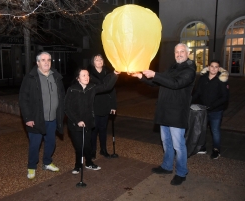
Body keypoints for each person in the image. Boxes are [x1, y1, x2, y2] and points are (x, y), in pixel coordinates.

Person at [130, 43, 196, 185]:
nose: (179, 54)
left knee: (179, 145)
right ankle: (166, 166)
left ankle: (181, 172)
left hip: (177, 113)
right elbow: (157, 82)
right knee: (166, 142)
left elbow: (175, 83)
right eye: (176, 52)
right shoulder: (172, 67)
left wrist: (155, 74)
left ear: (188, 53)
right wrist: (141, 76)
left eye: (182, 51)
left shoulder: (190, 69)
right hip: (165, 111)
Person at [19, 52, 65, 179]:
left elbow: (61, 95)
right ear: (37, 62)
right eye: (43, 60)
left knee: (51, 142)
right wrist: (27, 118)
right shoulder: (30, 78)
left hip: (53, 118)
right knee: (35, 144)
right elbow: (23, 99)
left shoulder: (56, 76)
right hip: (36, 118)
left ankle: (47, 162)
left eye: (49, 60)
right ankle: (31, 167)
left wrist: (62, 113)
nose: (46, 62)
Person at [65, 67, 119, 175]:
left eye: (88, 75)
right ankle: (78, 165)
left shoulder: (92, 88)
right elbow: (67, 108)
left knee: (88, 145)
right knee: (79, 146)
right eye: (83, 75)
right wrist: (77, 121)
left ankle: (89, 163)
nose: (86, 77)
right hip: (75, 124)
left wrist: (115, 74)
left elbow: (106, 86)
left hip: (88, 122)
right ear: (78, 78)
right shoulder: (72, 90)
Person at [192, 59, 229, 159]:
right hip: (204, 110)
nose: (213, 68)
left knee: (215, 130)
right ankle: (202, 148)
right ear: (208, 67)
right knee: (202, 129)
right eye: (212, 66)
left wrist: (212, 106)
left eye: (216, 67)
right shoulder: (203, 78)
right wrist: (190, 100)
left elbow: (225, 97)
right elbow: (198, 92)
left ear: (219, 68)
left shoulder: (222, 80)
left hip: (216, 111)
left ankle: (216, 150)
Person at [89, 54, 117, 159]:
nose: (99, 61)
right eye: (96, 59)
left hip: (105, 104)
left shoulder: (108, 74)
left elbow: (113, 90)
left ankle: (103, 149)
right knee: (94, 130)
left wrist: (113, 106)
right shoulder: (90, 75)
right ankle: (92, 150)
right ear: (93, 62)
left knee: (103, 129)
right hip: (94, 105)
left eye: (101, 59)